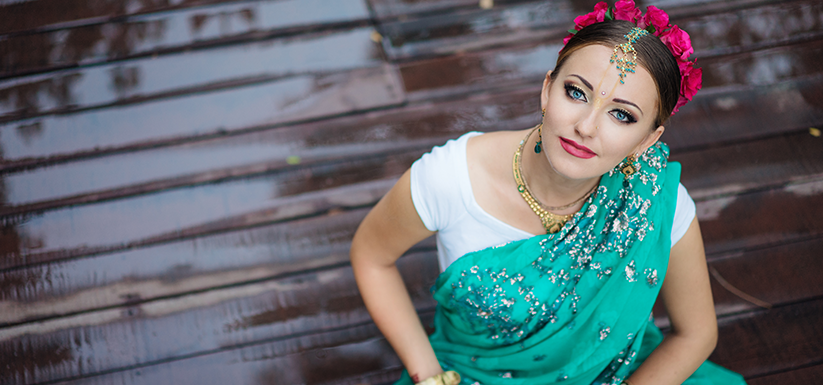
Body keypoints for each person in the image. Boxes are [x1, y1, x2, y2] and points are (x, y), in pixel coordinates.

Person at [350, 2, 747, 384]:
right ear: (547, 89)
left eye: (621, 114)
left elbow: (695, 334)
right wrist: (431, 377)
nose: (586, 126)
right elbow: (371, 257)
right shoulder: (452, 180)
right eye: (576, 92)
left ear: (647, 141)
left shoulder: (657, 203)